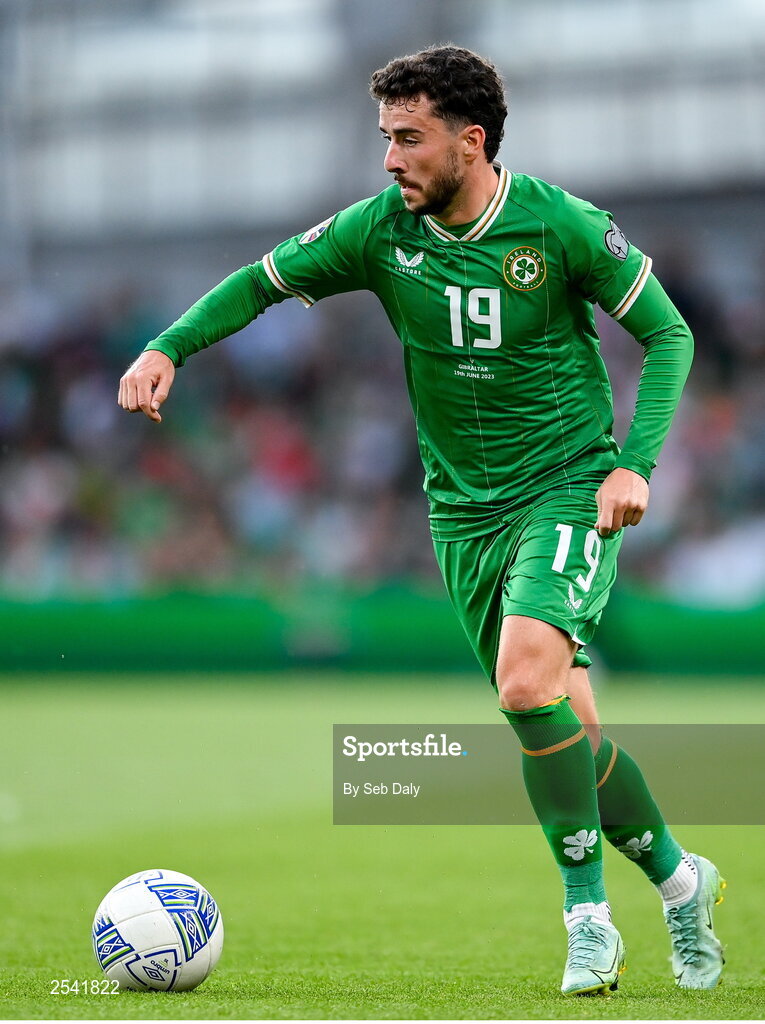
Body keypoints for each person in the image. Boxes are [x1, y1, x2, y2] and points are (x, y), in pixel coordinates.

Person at [118, 45, 725, 996]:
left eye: (409, 139)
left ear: (469, 141)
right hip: (461, 517)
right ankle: (684, 882)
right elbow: (258, 281)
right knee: (574, 738)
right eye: (384, 139)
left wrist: (633, 465)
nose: (390, 159)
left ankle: (586, 919)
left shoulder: (559, 225)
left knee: (526, 690)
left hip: (566, 487)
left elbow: (669, 332)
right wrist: (167, 348)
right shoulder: (375, 232)